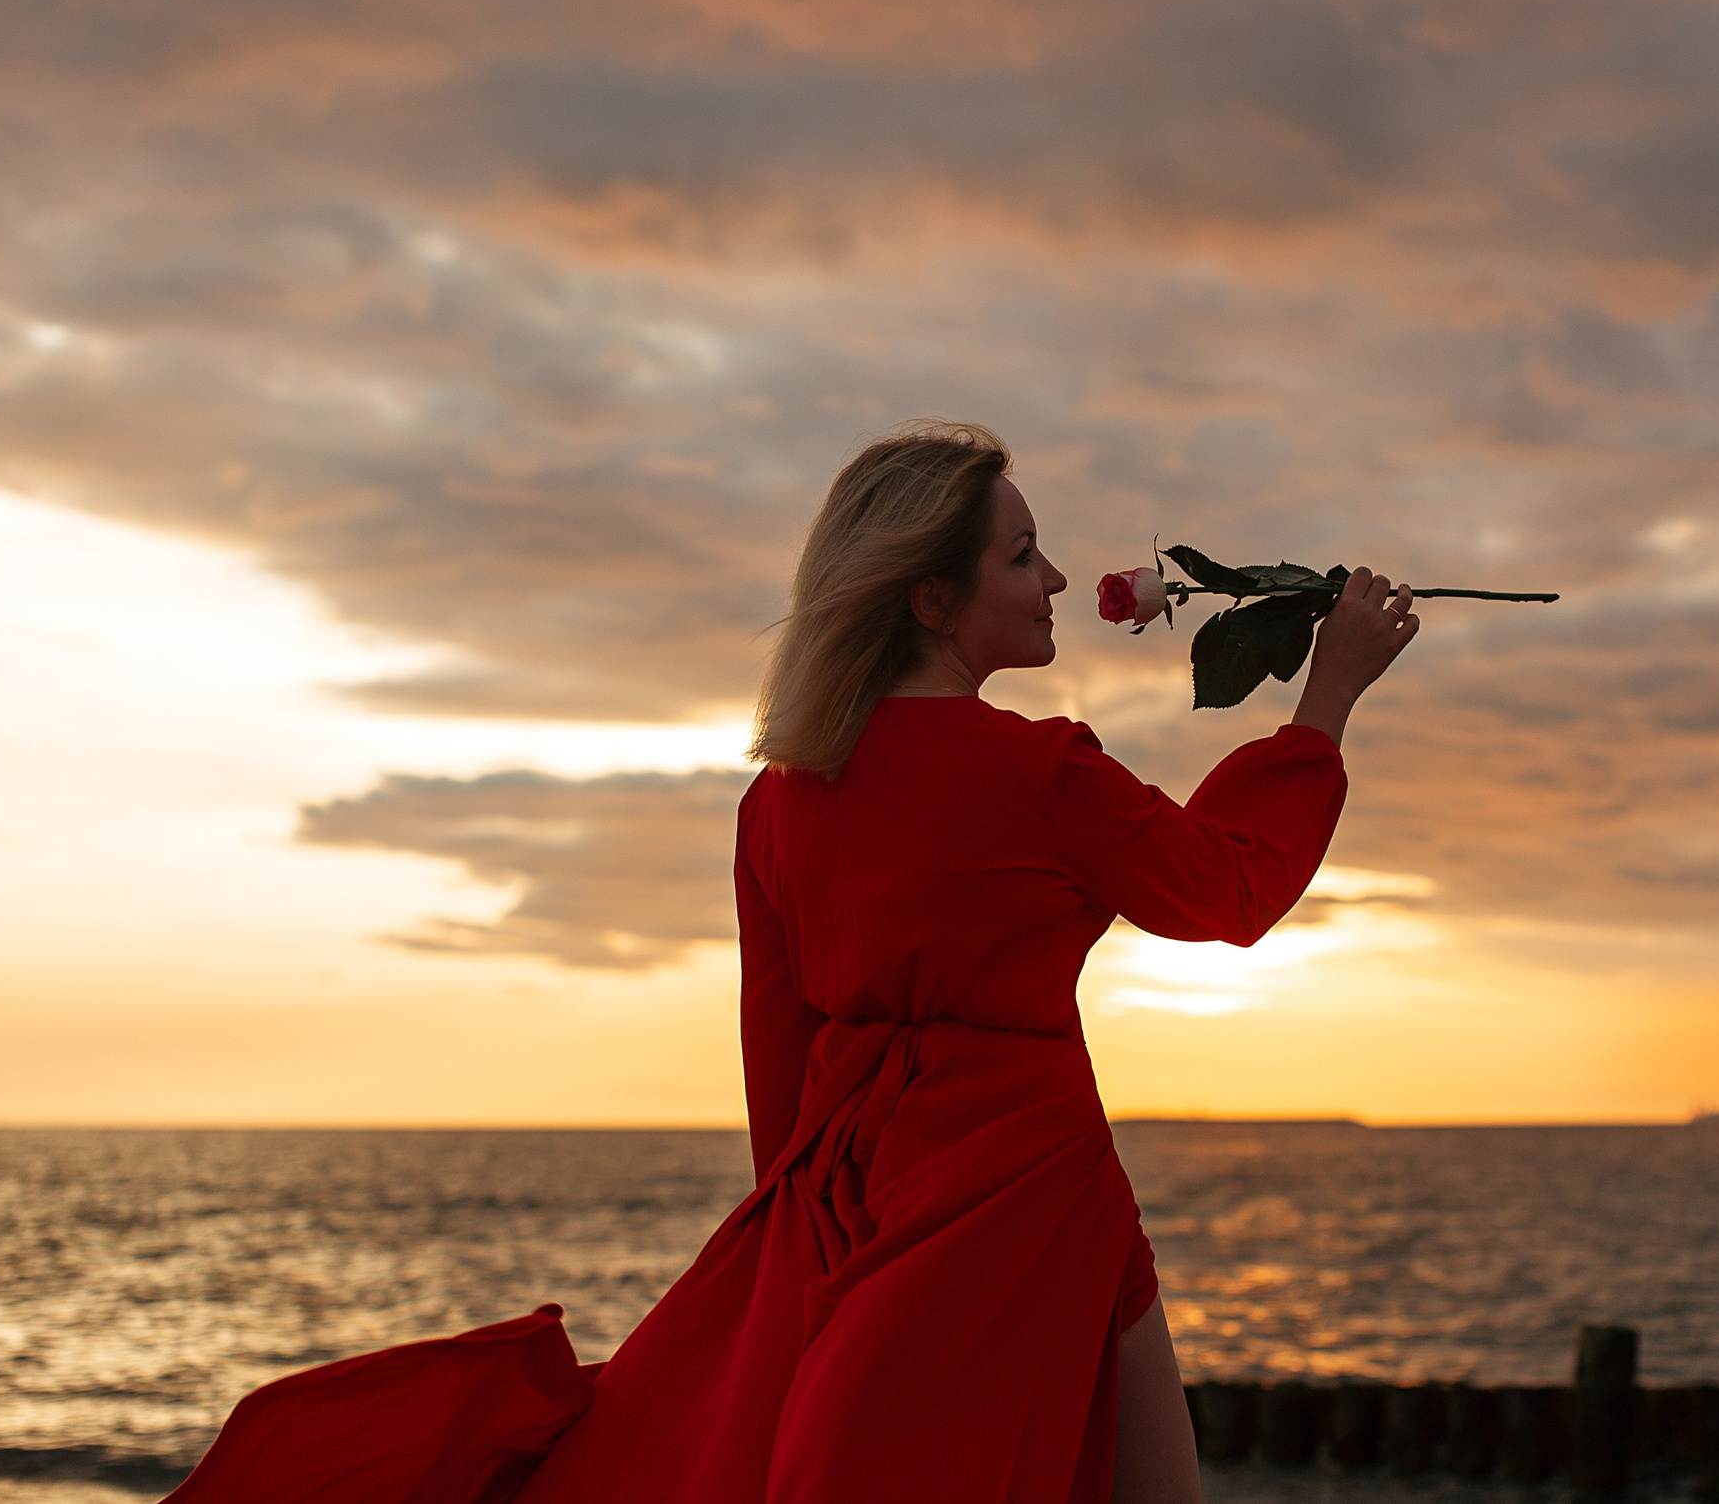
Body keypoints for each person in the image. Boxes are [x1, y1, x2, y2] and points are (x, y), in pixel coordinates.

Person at [166, 420, 1420, 1503]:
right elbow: (1226, 889)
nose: (1048, 578)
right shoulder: (1041, 772)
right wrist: (1326, 703)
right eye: (1018, 553)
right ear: (928, 598)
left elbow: (782, 1055)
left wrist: (801, 1258)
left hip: (849, 1195)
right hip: (1029, 1177)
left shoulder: (778, 803)